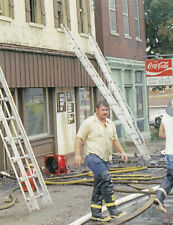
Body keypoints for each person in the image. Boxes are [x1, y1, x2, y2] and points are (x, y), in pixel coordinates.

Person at [75, 100, 128, 222]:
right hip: (92, 156)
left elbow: (115, 140)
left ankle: (96, 213)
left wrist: (122, 152)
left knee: (99, 184)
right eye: (103, 110)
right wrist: (77, 155)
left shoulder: (110, 124)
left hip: (105, 158)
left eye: (107, 110)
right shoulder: (89, 123)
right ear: (97, 110)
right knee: (105, 178)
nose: (105, 112)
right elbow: (79, 138)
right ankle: (113, 210)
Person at [154, 98, 173, 213]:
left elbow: (161, 134)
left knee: (170, 178)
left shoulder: (165, 118)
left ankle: (159, 198)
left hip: (169, 154)